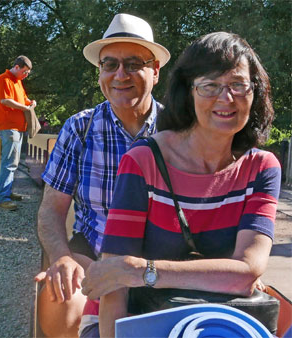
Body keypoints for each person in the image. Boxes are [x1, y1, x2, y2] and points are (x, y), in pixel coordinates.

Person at [79, 31, 280, 337]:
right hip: (132, 319)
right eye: (210, 85)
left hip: (215, 321)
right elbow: (114, 286)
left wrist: (140, 270)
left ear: (255, 92)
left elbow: (247, 272)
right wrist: (224, 274)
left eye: (238, 85)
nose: (226, 99)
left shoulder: (262, 168)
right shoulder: (144, 161)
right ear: (188, 92)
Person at [34, 13, 170, 337]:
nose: (120, 75)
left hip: (160, 265)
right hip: (92, 255)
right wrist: (61, 257)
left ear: (155, 70)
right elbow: (51, 211)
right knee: (58, 296)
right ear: (100, 73)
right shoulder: (79, 128)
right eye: (110, 65)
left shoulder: (177, 131)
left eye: (133, 64)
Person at [0, 55, 36, 211]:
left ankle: (7, 193)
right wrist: (25, 108)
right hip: (8, 127)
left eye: (27, 74)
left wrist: (31, 102)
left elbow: (23, 99)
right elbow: (5, 101)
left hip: (17, 128)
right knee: (9, 163)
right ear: (17, 67)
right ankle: (3, 198)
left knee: (13, 163)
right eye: (24, 72)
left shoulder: (18, 82)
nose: (25, 76)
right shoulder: (4, 79)